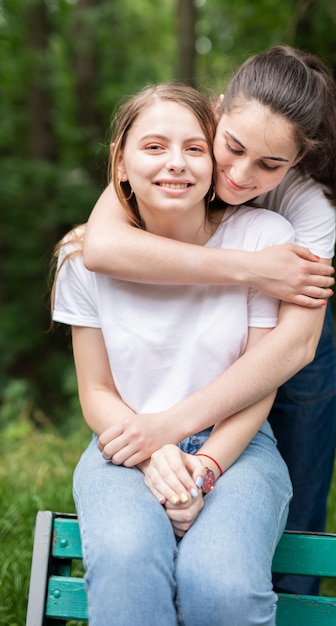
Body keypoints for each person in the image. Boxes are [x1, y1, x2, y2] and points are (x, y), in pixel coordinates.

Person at [82, 45, 336, 595]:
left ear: (299, 160)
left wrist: (178, 432)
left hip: (287, 334)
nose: (237, 175)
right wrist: (253, 270)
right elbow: (101, 248)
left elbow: (295, 347)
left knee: (298, 486)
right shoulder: (182, 144)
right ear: (218, 112)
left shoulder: (308, 202)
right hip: (218, 310)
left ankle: (287, 600)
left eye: (269, 165)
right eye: (231, 148)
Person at [52, 83, 296, 625]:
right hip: (124, 443)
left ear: (212, 162)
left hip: (238, 445)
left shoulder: (263, 238)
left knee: (222, 584)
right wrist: (151, 449)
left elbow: (260, 381)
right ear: (121, 162)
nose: (176, 164)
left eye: (193, 148)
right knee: (126, 562)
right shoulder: (81, 258)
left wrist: (203, 471)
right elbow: (96, 391)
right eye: (154, 146)